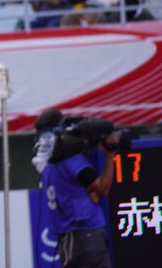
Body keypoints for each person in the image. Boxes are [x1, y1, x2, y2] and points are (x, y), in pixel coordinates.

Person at [35, 109, 117, 268]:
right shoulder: (74, 161)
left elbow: (72, 188)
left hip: (66, 241)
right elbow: (103, 189)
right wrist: (109, 157)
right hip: (87, 233)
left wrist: (90, 192)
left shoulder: (45, 164)